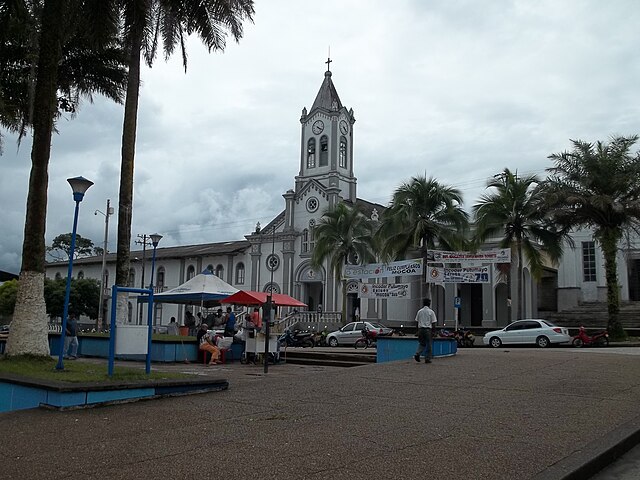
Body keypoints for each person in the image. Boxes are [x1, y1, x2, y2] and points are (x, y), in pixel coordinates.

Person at [414, 298, 437, 364]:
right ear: (429, 304)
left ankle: (417, 353)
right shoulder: (431, 312)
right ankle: (427, 358)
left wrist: (417, 331)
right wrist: (434, 332)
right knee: (429, 344)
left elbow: (416, 321)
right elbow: (433, 323)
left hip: (420, 329)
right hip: (427, 330)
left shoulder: (419, 311)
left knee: (422, 343)